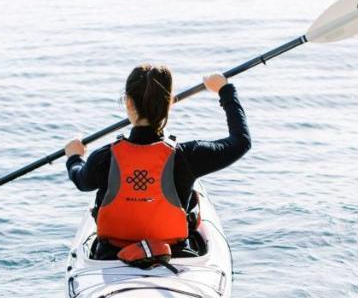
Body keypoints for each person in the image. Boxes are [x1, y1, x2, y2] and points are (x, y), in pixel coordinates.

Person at [64, 63, 250, 260]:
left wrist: (74, 158)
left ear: (128, 102)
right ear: (170, 102)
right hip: (175, 254)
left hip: (110, 255)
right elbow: (240, 141)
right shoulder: (188, 156)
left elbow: (80, 180)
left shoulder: (103, 157)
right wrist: (225, 90)